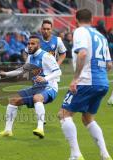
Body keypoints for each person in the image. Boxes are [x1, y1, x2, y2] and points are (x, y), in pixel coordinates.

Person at [58, 9, 112, 160]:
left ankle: (75, 155)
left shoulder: (80, 31)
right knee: (87, 119)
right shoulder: (101, 36)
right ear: (92, 19)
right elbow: (109, 65)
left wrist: (76, 78)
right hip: (102, 82)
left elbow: (82, 53)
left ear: (76, 19)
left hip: (87, 80)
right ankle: (105, 155)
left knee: (64, 114)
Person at [0, 35, 61, 138]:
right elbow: (22, 70)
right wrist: (6, 74)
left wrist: (45, 78)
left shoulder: (46, 56)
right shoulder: (30, 57)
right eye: (28, 43)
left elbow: (58, 72)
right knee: (13, 100)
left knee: (37, 98)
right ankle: (7, 130)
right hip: (37, 87)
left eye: (32, 44)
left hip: (49, 87)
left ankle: (40, 128)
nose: (29, 46)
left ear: (38, 45)